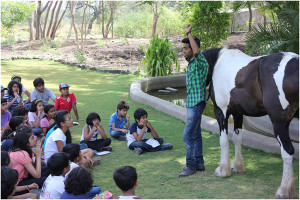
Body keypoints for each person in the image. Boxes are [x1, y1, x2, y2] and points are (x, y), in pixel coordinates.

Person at [178, 24, 209, 178]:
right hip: (192, 103)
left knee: (187, 135)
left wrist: (189, 32)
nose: (183, 51)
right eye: (183, 48)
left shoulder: (200, 62)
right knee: (196, 134)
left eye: (186, 48)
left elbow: (197, 50)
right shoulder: (191, 65)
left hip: (197, 103)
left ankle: (190, 166)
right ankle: (199, 163)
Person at [9, 125, 50, 191]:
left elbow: (34, 169)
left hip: (25, 176)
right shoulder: (22, 153)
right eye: (32, 138)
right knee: (46, 180)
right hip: (17, 183)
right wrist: (38, 155)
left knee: (49, 169)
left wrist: (36, 156)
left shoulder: (24, 150)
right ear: (26, 141)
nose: (35, 139)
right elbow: (37, 175)